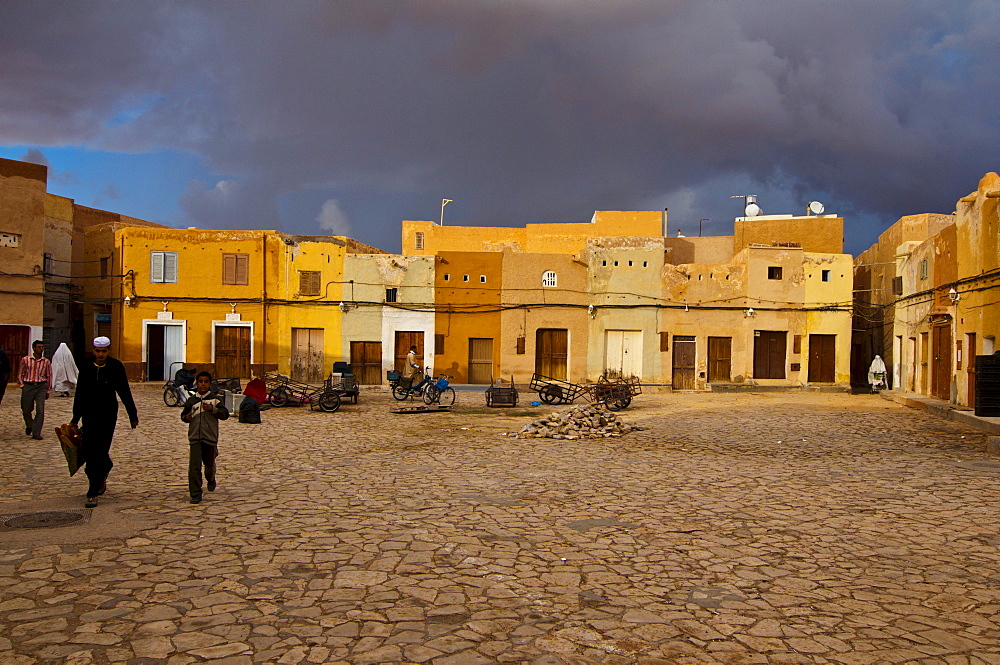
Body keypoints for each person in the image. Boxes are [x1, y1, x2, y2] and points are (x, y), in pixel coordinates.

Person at [71, 336, 139, 508]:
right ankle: (104, 469)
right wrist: (75, 418)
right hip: (89, 414)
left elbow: (124, 390)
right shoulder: (86, 366)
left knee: (100, 450)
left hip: (107, 414)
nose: (100, 354)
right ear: (93, 351)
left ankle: (92, 491)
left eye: (103, 351)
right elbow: (80, 393)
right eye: (98, 351)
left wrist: (132, 414)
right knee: (89, 451)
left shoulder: (115, 367)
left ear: (108, 351)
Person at [181, 371, 229, 504]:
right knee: (194, 466)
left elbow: (224, 414)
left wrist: (212, 409)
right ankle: (195, 493)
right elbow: (184, 415)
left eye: (206, 382)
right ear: (196, 383)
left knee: (208, 464)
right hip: (195, 437)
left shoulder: (215, 399)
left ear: (210, 384)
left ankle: (211, 478)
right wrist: (187, 418)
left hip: (210, 437)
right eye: (200, 381)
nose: (203, 384)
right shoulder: (191, 400)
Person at [19, 340, 52, 440]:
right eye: (38, 347)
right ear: (33, 348)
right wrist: (22, 385)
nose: (40, 349)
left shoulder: (46, 361)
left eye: (42, 347)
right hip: (28, 385)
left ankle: (36, 432)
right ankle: (30, 424)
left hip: (41, 386)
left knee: (40, 410)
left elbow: (49, 375)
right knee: (26, 409)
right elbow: (21, 373)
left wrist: (47, 390)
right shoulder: (25, 360)